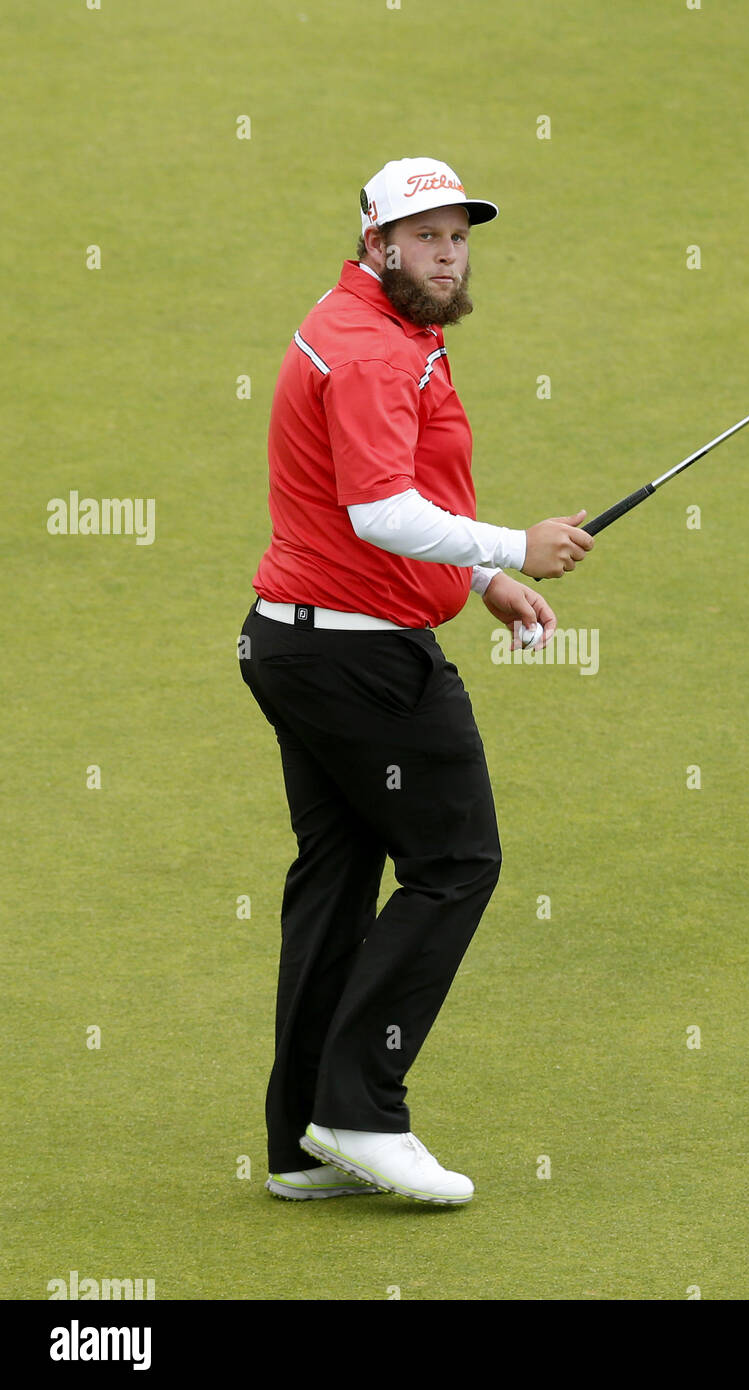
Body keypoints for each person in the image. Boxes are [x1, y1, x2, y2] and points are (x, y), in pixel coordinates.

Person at [238, 157, 593, 1206]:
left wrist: (479, 578)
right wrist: (514, 545)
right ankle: (360, 1109)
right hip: (362, 662)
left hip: (296, 645)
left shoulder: (381, 326)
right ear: (376, 244)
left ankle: (304, 1144)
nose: (447, 256)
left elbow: (398, 495)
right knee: (455, 863)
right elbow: (378, 510)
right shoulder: (370, 350)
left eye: (457, 237)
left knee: (337, 880)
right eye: (425, 237)